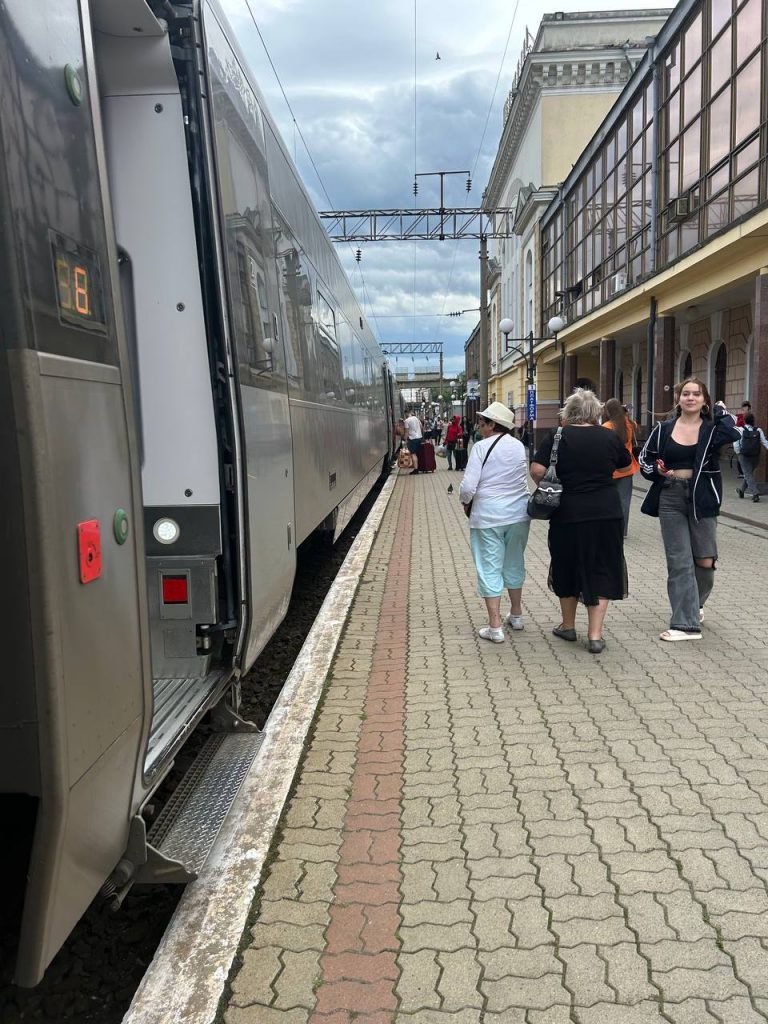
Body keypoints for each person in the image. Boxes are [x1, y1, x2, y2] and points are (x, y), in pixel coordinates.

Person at [531, 388, 631, 654]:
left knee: (567, 565)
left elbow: (537, 470)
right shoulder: (609, 436)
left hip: (568, 513)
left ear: (569, 412)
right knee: (602, 567)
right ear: (595, 412)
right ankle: (595, 635)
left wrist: (552, 484)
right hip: (607, 513)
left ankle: (568, 626)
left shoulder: (557, 436)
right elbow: (625, 466)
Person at [639, 377, 739, 641]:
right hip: (670, 495)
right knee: (679, 561)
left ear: (704, 400)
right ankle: (685, 624)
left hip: (703, 497)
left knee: (705, 561)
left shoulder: (712, 428)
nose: (691, 398)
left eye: (696, 394)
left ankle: (695, 604)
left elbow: (734, 433)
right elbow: (644, 459)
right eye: (686, 393)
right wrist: (657, 471)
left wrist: (720, 413)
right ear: (678, 399)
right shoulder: (663, 429)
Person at [459, 402, 530, 643]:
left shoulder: (480, 447)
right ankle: (517, 615)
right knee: (514, 561)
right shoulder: (519, 446)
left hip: (488, 516)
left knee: (489, 567)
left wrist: (465, 502)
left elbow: (468, 486)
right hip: (519, 514)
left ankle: (495, 627)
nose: (479, 426)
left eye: (483, 422)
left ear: (492, 425)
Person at [602, 398, 640, 538]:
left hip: (610, 470)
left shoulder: (607, 426)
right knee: (624, 500)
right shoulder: (629, 424)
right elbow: (634, 424)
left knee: (608, 500)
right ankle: (622, 531)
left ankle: (609, 528)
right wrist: (625, 412)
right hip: (627, 468)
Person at [735, 413, 768, 502]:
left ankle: (755, 493)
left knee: (748, 474)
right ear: (753, 420)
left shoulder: (740, 430)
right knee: (748, 474)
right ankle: (741, 491)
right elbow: (764, 442)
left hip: (744, 456)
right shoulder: (759, 430)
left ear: (745, 420)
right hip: (755, 456)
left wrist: (738, 453)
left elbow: (736, 443)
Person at [403, 409, 423, 475]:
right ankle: (419, 467)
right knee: (417, 453)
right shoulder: (416, 418)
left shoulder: (406, 421)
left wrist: (405, 441)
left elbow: (406, 432)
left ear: (406, 413)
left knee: (413, 454)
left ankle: (416, 469)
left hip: (412, 439)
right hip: (419, 437)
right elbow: (421, 427)